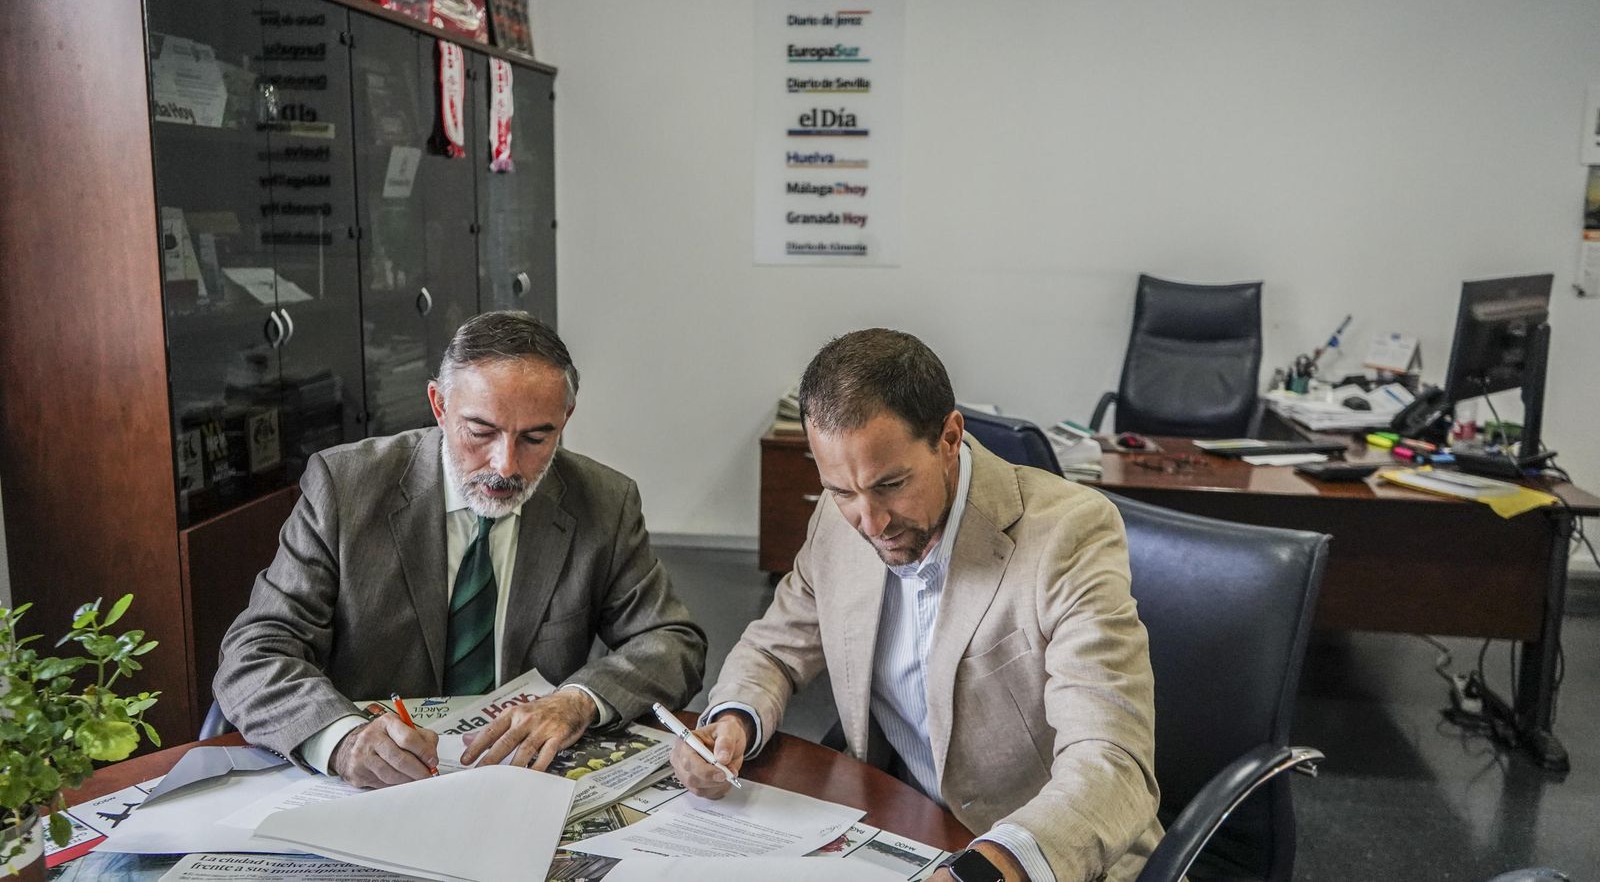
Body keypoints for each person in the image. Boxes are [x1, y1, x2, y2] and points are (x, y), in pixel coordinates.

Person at [672, 329, 1162, 882]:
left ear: (950, 438)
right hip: (908, 831)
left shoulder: (1069, 533)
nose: (870, 523)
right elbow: (775, 649)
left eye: (891, 484)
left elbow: (1111, 759)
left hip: (1047, 859)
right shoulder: (838, 520)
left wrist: (994, 866)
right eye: (842, 491)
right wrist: (734, 719)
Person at [216, 311, 707, 789]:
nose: (505, 465)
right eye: (481, 432)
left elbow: (671, 642)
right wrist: (343, 741)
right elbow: (254, 654)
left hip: (519, 783)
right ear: (439, 405)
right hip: (374, 786)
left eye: (536, 437)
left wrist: (577, 701)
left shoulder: (603, 501)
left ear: (565, 418)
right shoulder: (346, 488)